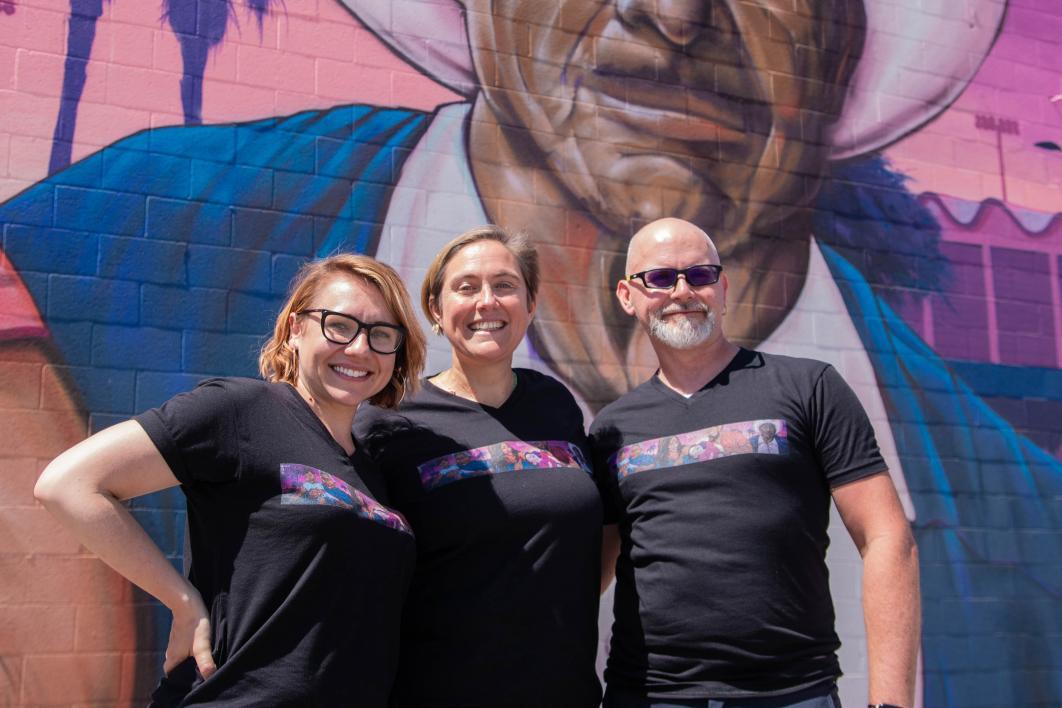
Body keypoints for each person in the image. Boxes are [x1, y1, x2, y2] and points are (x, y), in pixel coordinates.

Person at [2, 1, 1058, 703]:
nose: (675, 13)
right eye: (464, 291)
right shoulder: (77, 267)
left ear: (855, 33)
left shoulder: (1022, 523)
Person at [33, 253, 427, 706]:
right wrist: (180, 600)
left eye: (381, 334)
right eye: (339, 325)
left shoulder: (373, 469)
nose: (360, 348)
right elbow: (67, 484)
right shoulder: (241, 412)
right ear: (296, 329)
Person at [590, 218, 920, 708]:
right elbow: (588, 575)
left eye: (699, 275)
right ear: (627, 296)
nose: (683, 291)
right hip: (650, 695)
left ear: (722, 287)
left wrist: (890, 702)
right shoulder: (611, 428)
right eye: (660, 278)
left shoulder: (810, 388)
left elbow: (886, 536)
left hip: (790, 694)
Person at [354, 225, 603, 708]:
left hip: (565, 692)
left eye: (505, 286)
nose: (487, 302)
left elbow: (591, 538)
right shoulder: (390, 420)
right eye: (466, 287)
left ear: (530, 305)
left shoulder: (555, 404)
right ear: (436, 310)